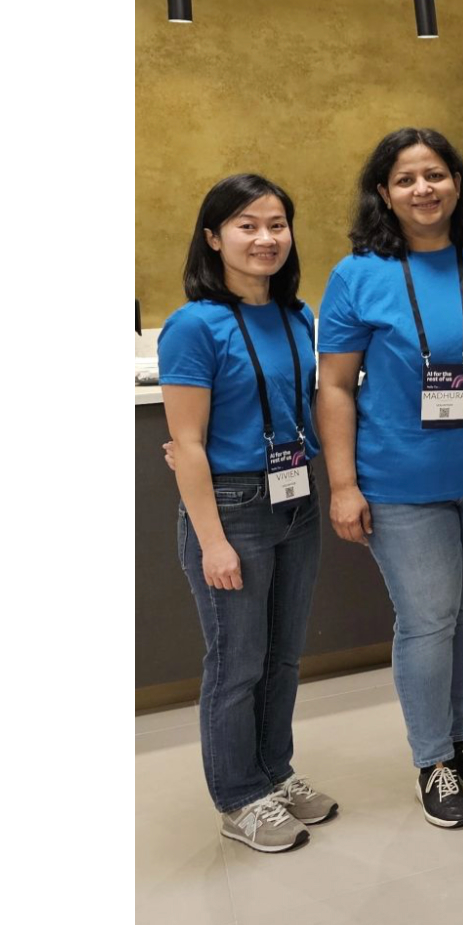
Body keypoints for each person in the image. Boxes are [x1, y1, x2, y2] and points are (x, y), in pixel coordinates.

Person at [316, 128, 463, 828]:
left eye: (435, 174)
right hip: (401, 480)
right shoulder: (357, 276)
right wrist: (343, 486)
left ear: (458, 184)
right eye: (406, 179)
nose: (423, 189)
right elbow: (337, 387)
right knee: (428, 619)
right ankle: (431, 759)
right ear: (384, 192)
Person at [159, 174, 336, 853]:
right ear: (213, 237)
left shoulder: (298, 316)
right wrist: (213, 542)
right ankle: (238, 798)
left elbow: (306, 410)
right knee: (236, 663)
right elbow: (190, 444)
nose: (265, 239)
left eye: (276, 225)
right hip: (231, 509)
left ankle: (273, 773)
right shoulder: (194, 326)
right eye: (246, 225)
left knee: (283, 657)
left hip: (296, 499)